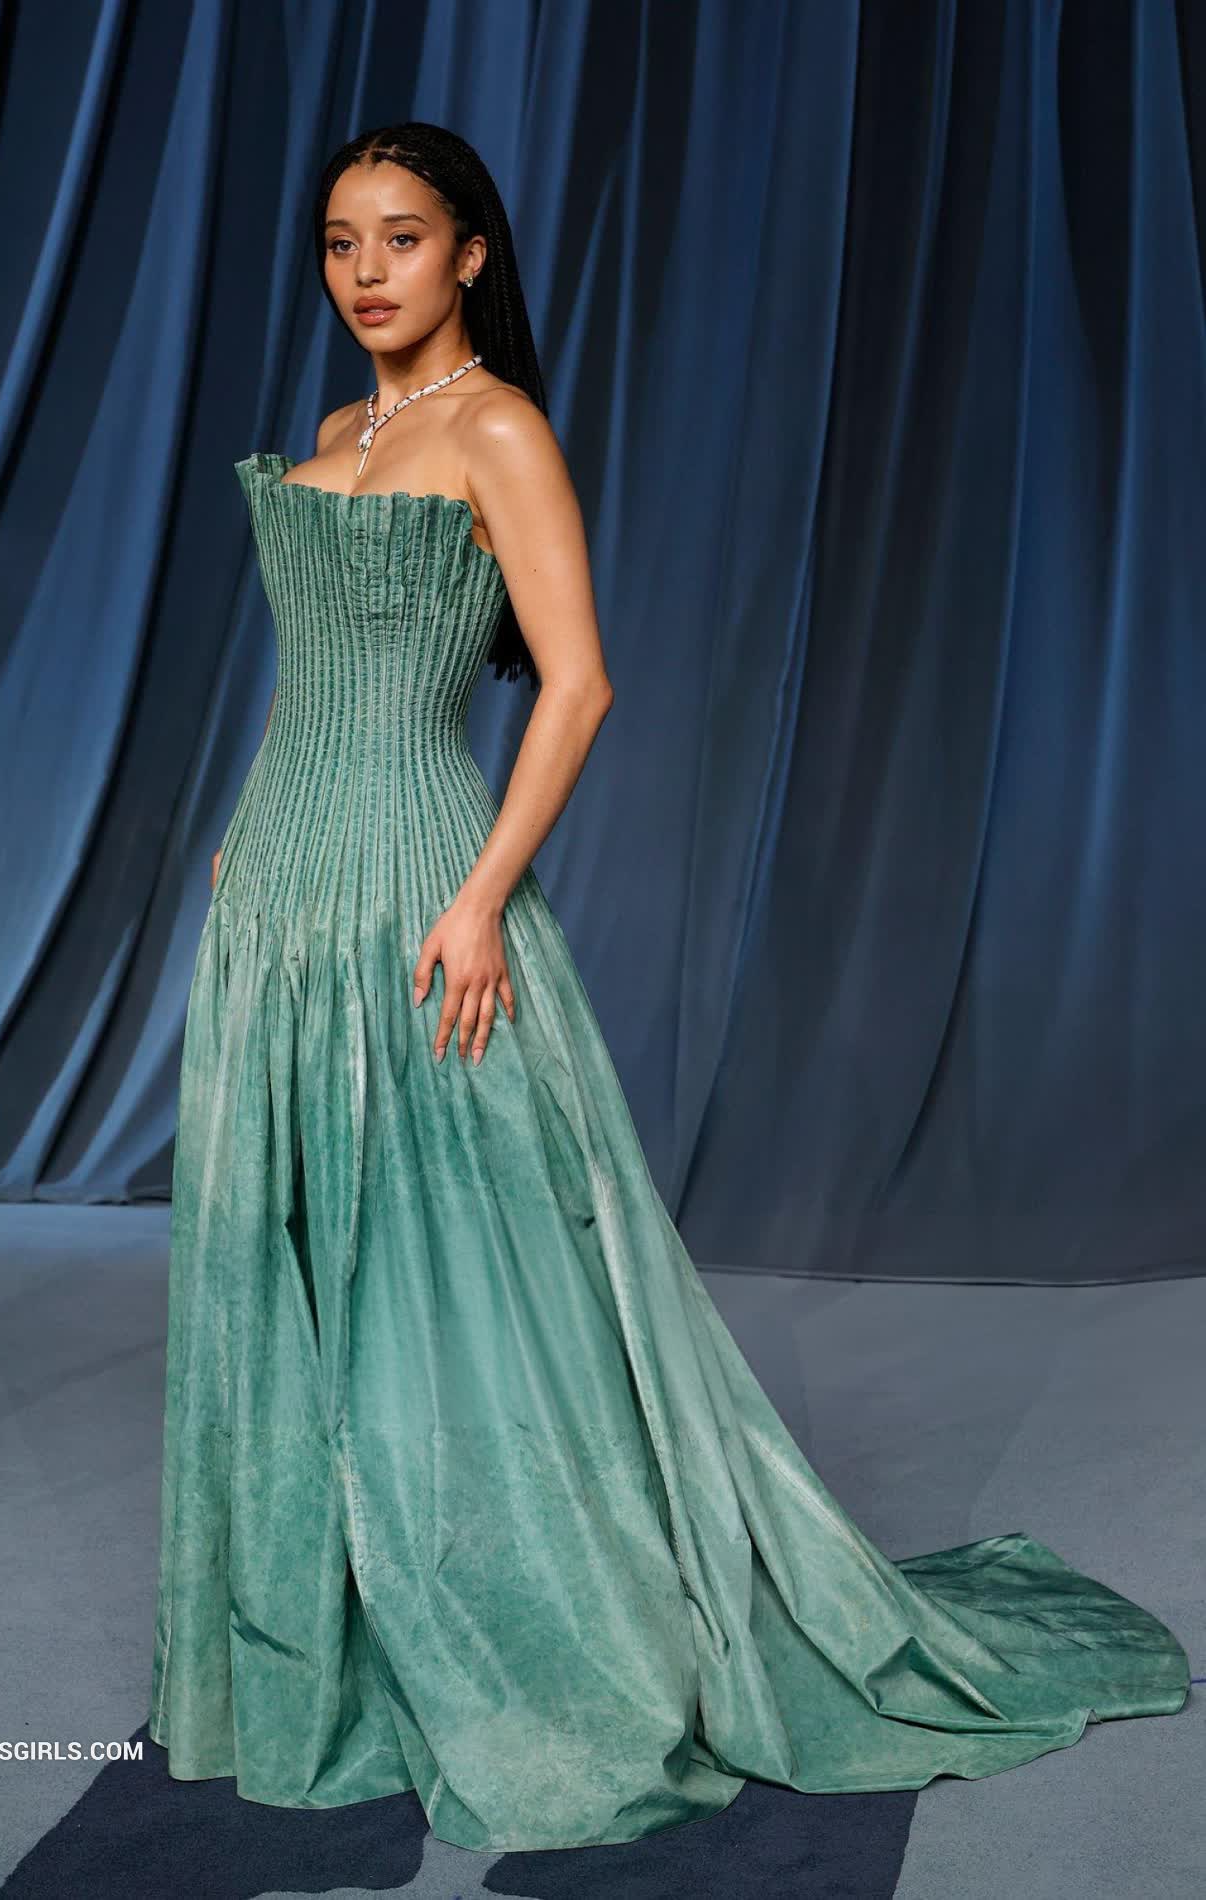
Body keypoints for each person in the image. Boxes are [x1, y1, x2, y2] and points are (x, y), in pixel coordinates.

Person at [147, 121, 1189, 1855]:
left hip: (423, 895)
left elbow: (577, 686)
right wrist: (241, 843)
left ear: (470, 255)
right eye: (339, 241)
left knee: (465, 1274)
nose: (366, 272)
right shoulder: (339, 432)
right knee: (302, 1257)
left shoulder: (497, 429)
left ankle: (526, 1615)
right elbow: (312, 678)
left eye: (400, 238)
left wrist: (481, 898)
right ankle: (336, 1623)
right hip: (280, 900)